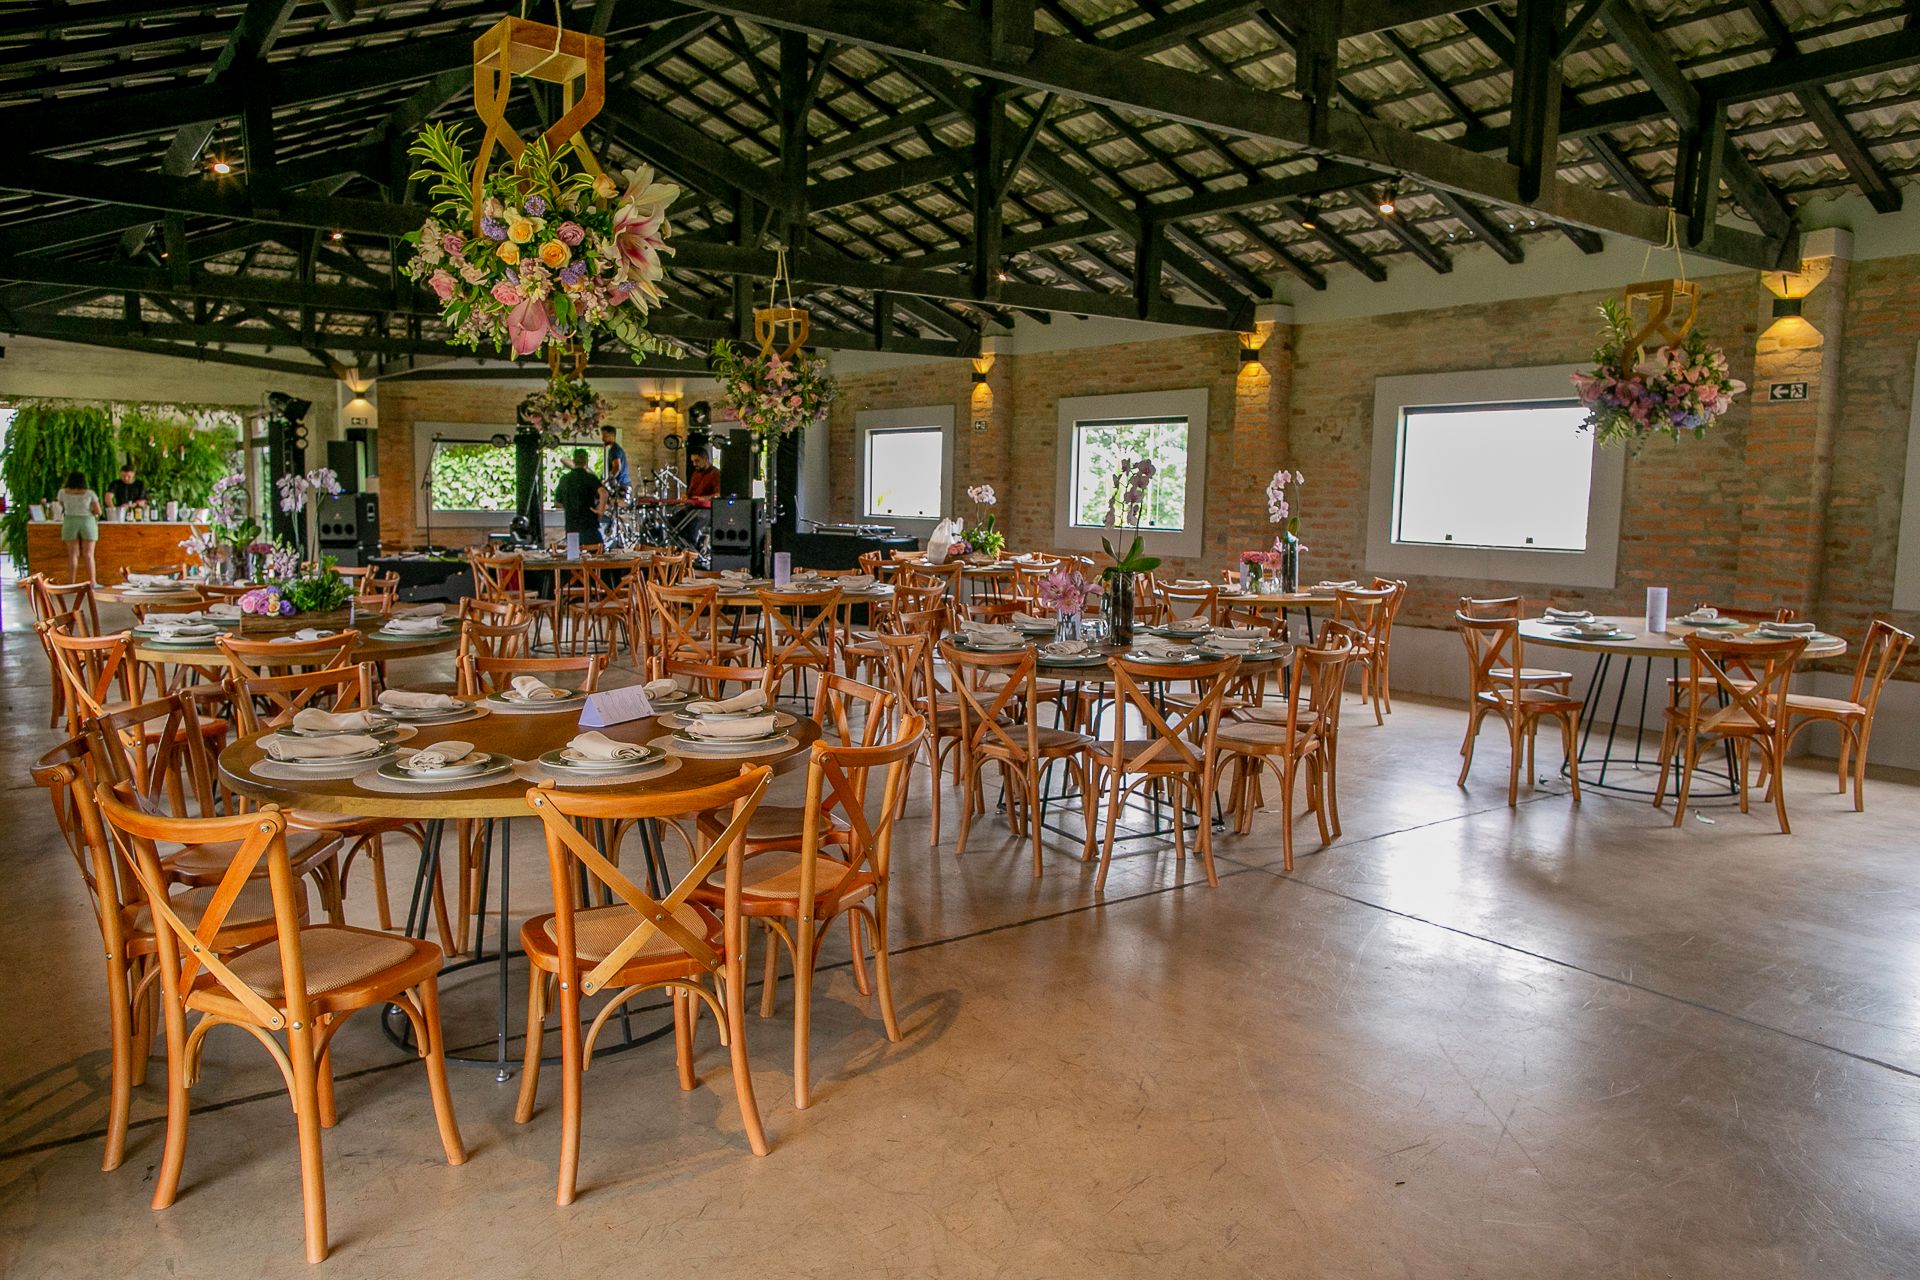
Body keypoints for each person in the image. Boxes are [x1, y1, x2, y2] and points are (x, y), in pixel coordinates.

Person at [552, 448, 606, 551]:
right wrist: (600, 510)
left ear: (573, 460)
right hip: (589, 525)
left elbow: (558, 503)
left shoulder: (564, 479)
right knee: (597, 556)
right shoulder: (590, 478)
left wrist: (569, 506)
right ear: (586, 461)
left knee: (574, 558)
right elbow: (603, 493)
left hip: (571, 527)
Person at [56, 470, 101, 583]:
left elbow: (61, 505)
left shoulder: (62, 492)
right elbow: (98, 511)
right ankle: (92, 582)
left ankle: (71, 583)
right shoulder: (90, 493)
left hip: (70, 520)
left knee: (73, 555)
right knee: (89, 554)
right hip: (87, 521)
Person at [600, 425, 629, 493]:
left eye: (605, 436)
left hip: (621, 486)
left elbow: (617, 468)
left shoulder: (614, 450)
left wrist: (607, 481)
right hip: (624, 485)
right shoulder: (616, 449)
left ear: (612, 435)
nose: (602, 439)